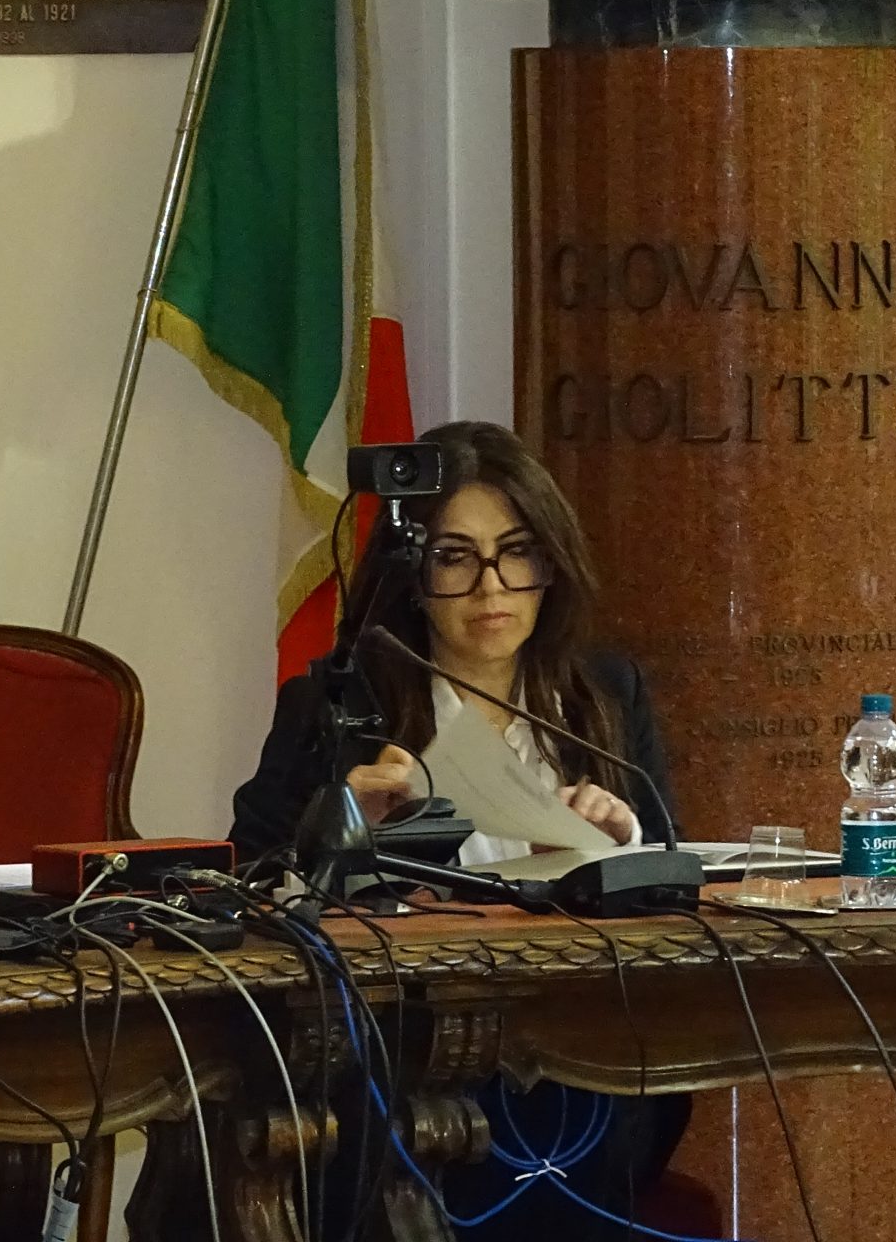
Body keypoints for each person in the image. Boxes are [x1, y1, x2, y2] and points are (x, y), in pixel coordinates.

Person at [230, 420, 683, 1240]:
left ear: (552, 563)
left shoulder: (606, 694)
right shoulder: (338, 705)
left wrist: (627, 845)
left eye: (517, 553)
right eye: (454, 557)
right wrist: (338, 829)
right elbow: (246, 880)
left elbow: (680, 890)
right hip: (405, 1053)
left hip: (579, 1053)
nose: (490, 587)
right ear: (411, 574)